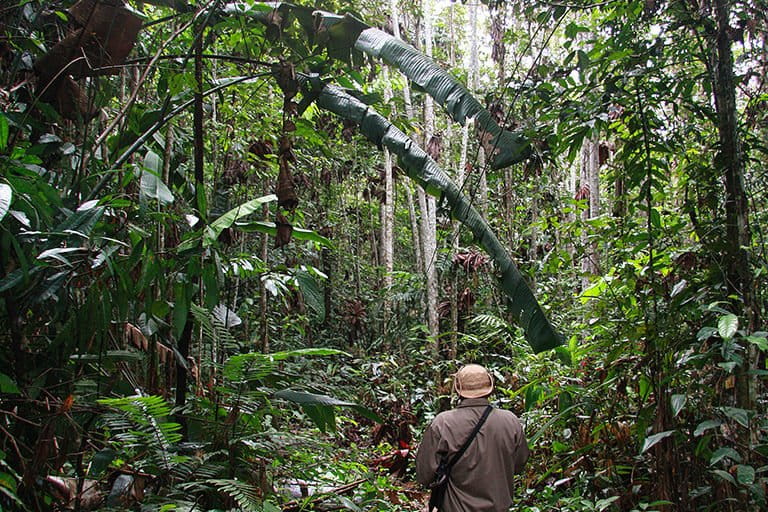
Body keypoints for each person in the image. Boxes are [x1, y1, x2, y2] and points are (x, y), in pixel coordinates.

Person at [415, 364, 529, 512]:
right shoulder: (510, 421)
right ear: (490, 388)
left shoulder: (443, 423)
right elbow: (519, 464)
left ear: (457, 389)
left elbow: (424, 475)